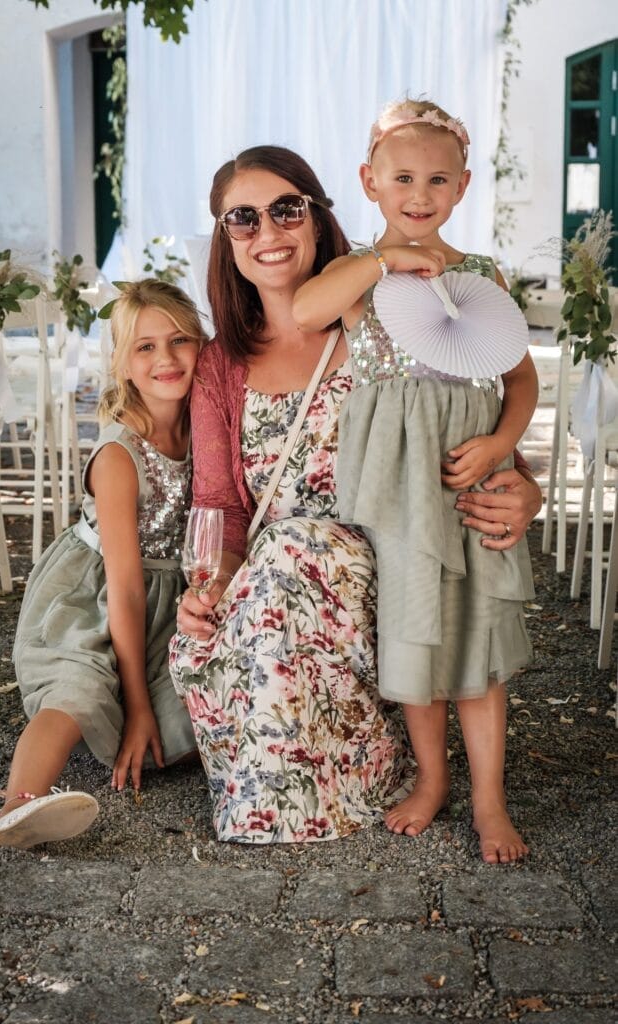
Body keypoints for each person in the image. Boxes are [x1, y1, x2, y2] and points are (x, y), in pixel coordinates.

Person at [170, 144, 542, 849]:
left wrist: (525, 488)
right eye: (241, 220)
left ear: (318, 215)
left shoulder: (383, 315)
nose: (268, 232)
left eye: (286, 209)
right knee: (273, 563)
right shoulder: (222, 363)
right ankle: (289, 788)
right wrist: (214, 578)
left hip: (392, 559)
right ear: (224, 241)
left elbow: (474, 423)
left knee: (294, 552)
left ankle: (315, 785)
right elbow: (219, 503)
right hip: (278, 597)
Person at [293, 99, 538, 863]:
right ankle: (432, 779)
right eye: (401, 178)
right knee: (414, 629)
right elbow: (306, 311)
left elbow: (520, 378)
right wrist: (383, 261)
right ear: (369, 182)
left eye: (437, 179)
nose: (419, 194)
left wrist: (500, 438)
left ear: (461, 187)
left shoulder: (481, 276)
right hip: (402, 484)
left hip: (471, 468)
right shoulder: (355, 274)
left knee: (477, 630)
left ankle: (489, 798)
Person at [0, 280, 204, 850]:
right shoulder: (119, 455)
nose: (165, 358)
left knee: (194, 694)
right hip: (96, 593)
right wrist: (138, 707)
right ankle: (18, 806)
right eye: (145, 347)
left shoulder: (208, 430)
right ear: (123, 363)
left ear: (203, 347)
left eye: (179, 340)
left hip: (166, 603)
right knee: (76, 687)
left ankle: (141, 714)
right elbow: (124, 590)